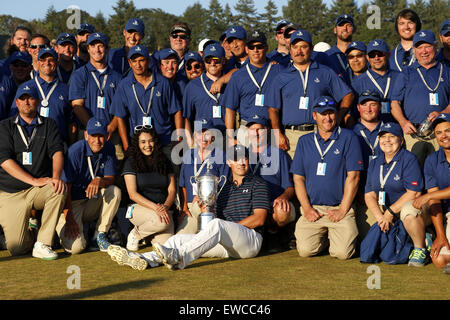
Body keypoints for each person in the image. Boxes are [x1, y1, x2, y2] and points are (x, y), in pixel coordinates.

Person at [107, 144, 270, 271]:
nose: (241, 162)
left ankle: (180, 259)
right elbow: (218, 219)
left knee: (218, 226)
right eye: (236, 159)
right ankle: (141, 258)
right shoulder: (223, 187)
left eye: (244, 158)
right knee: (177, 239)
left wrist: (227, 228)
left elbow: (259, 218)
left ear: (249, 160)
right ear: (229, 162)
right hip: (228, 244)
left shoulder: (258, 184)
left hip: (251, 241)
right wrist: (207, 208)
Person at [290, 96, 363, 260]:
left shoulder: (349, 138)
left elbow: (354, 176)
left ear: (336, 115)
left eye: (331, 113)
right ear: (315, 116)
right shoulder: (304, 141)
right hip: (314, 209)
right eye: (323, 114)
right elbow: (298, 178)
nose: (327, 118)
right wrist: (307, 208)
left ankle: (335, 238)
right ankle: (325, 239)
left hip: (340, 208)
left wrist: (343, 209)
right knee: (305, 251)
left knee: (342, 254)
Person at [0, 83, 66, 259]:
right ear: (17, 102)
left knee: (57, 188)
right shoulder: (5, 126)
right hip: (11, 193)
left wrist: (56, 177)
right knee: (17, 248)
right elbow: (5, 162)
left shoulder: (49, 124)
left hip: (37, 190)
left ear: (37, 101)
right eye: (23, 98)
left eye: (30, 98)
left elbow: (57, 153)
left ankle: (43, 243)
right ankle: (32, 231)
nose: (27, 102)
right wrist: (34, 181)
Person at [267, 30, 354, 159]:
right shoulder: (281, 77)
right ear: (290, 49)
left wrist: (339, 117)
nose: (299, 51)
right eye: (295, 47)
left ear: (311, 49)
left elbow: (348, 95)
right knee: (294, 177)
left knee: (320, 174)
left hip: (320, 133)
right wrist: (277, 134)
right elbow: (273, 109)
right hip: (292, 136)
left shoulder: (325, 72)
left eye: (303, 46)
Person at [364, 122, 428, 267]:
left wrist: (390, 212)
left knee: (408, 212)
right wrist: (380, 217)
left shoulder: (409, 159)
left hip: (408, 209)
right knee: (364, 239)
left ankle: (420, 247)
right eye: (383, 136)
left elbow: (414, 192)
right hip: (384, 211)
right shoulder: (375, 162)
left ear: (401, 140)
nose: (387, 140)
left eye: (392, 136)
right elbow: (369, 194)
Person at [56, 117, 121, 253]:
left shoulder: (108, 148)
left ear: (107, 136)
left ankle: (99, 235)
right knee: (76, 248)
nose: (97, 141)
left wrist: (100, 180)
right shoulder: (75, 151)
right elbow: (66, 189)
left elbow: (111, 179)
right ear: (86, 135)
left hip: (92, 201)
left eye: (100, 136)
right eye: (93, 136)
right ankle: (63, 228)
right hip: (73, 204)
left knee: (114, 191)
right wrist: (69, 218)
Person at [391, 30, 450, 167]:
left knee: (440, 170)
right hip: (413, 134)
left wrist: (444, 113)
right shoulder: (406, 73)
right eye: (419, 47)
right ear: (414, 50)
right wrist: (403, 122)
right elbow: (395, 103)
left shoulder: (446, 71)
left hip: (440, 133)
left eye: (427, 46)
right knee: (414, 172)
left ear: (435, 47)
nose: (424, 51)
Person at [111, 45, 183, 158]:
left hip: (164, 141)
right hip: (138, 144)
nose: (138, 65)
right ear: (129, 63)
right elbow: (120, 116)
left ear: (148, 61)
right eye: (134, 61)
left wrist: (178, 139)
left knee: (170, 174)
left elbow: (176, 111)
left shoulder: (163, 83)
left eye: (141, 60)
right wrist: (126, 145)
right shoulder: (124, 85)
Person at [223, 30, 282, 147]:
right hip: (246, 130)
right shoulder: (238, 76)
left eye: (259, 46)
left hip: (271, 129)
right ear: (246, 49)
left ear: (266, 48)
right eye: (251, 47)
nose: (255, 50)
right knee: (244, 165)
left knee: (273, 164)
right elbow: (230, 109)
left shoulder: (279, 71)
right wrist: (230, 137)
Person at [247, 115, 295, 251]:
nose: (256, 133)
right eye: (252, 129)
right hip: (252, 203)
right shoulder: (242, 154)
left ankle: (274, 235)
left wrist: (283, 197)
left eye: (259, 130)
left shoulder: (278, 154)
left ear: (267, 130)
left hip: (273, 203)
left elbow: (290, 187)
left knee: (282, 211)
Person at [10, 48, 76, 145]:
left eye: (51, 60)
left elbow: (71, 122)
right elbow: (14, 117)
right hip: (31, 144)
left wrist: (71, 146)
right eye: (43, 60)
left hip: (57, 144)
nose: (47, 63)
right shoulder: (25, 87)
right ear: (37, 62)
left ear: (57, 63)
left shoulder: (66, 89)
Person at [69, 32, 122, 148]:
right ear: (88, 49)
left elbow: (121, 108)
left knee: (116, 164)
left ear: (107, 49)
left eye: (100, 46)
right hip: (87, 133)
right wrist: (94, 129)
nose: (96, 50)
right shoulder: (79, 74)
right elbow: (77, 105)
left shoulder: (117, 77)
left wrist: (111, 127)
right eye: (93, 46)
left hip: (111, 134)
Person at [177, 118, 230, 234]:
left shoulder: (221, 155)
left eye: (207, 133)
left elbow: (224, 185)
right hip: (191, 207)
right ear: (195, 136)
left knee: (184, 239)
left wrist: (206, 199)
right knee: (180, 237)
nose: (203, 138)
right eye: (200, 133)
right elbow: (183, 185)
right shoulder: (188, 155)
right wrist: (184, 208)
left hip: (210, 205)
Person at [413, 113, 450, 273]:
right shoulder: (432, 160)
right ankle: (431, 235)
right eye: (439, 133)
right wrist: (440, 235)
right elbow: (435, 202)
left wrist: (428, 196)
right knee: (439, 261)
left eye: (448, 130)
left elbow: (431, 197)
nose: (444, 136)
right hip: (446, 213)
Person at [351, 91, 384, 239]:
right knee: (366, 234)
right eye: (364, 105)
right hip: (360, 195)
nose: (369, 109)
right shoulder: (349, 133)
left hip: (386, 192)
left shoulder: (391, 131)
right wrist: (358, 193)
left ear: (380, 107)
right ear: (358, 107)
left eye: (373, 105)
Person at [183, 43, 228, 144]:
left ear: (223, 60)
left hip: (225, 137)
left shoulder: (231, 82)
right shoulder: (192, 85)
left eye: (216, 60)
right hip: (201, 137)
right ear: (203, 61)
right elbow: (186, 117)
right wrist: (190, 141)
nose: (212, 63)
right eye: (208, 60)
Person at [351, 39, 401, 123]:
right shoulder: (358, 82)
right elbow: (353, 112)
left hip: (398, 128)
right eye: (372, 55)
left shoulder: (400, 77)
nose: (376, 58)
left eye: (380, 54)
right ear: (367, 57)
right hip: (372, 130)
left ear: (388, 55)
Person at [325, 14, 356, 84]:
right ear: (335, 30)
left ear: (353, 29)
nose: (345, 28)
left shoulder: (361, 54)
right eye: (341, 25)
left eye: (348, 25)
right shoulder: (326, 56)